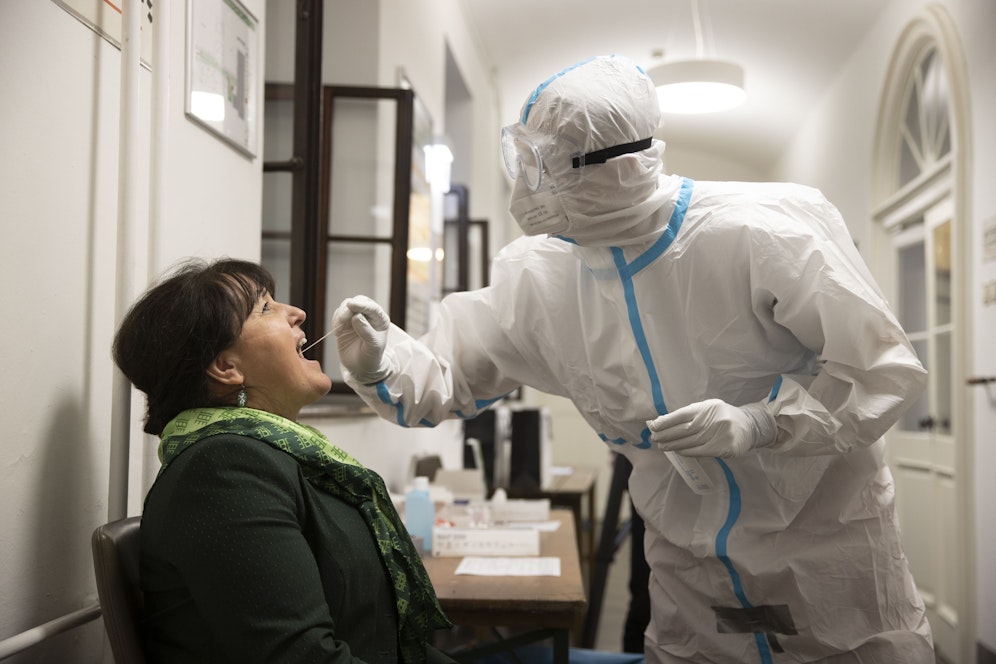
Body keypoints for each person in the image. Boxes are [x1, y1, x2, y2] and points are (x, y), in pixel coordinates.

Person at [332, 55, 936, 663]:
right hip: (691, 590)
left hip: (828, 570)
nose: (523, 193)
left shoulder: (762, 230)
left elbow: (880, 372)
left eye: (544, 168)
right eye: (521, 162)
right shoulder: (540, 276)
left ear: (621, 165)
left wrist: (762, 423)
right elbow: (450, 373)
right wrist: (383, 364)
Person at [112, 257, 454, 664]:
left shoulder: (281, 456)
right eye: (266, 308)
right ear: (225, 367)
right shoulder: (223, 470)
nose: (298, 313)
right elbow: (304, 657)